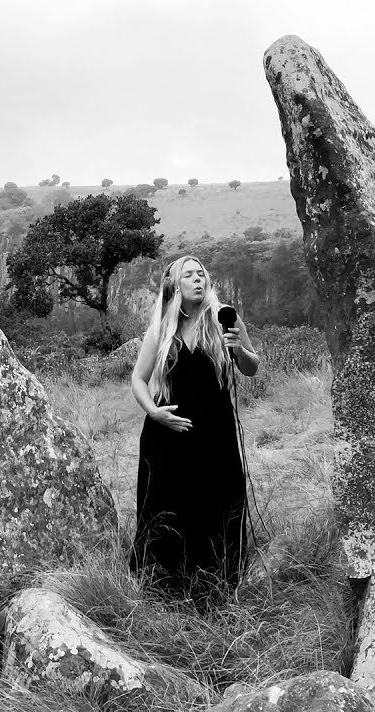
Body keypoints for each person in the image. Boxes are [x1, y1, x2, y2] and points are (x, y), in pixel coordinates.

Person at [128, 255, 260, 602]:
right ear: (174, 285)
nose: (198, 280)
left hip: (214, 434)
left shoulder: (223, 318)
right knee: (167, 508)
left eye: (201, 274)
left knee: (216, 503)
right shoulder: (161, 329)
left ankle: (214, 589)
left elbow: (252, 366)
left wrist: (237, 350)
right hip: (167, 436)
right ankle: (164, 590)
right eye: (189, 275)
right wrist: (154, 413)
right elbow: (139, 380)